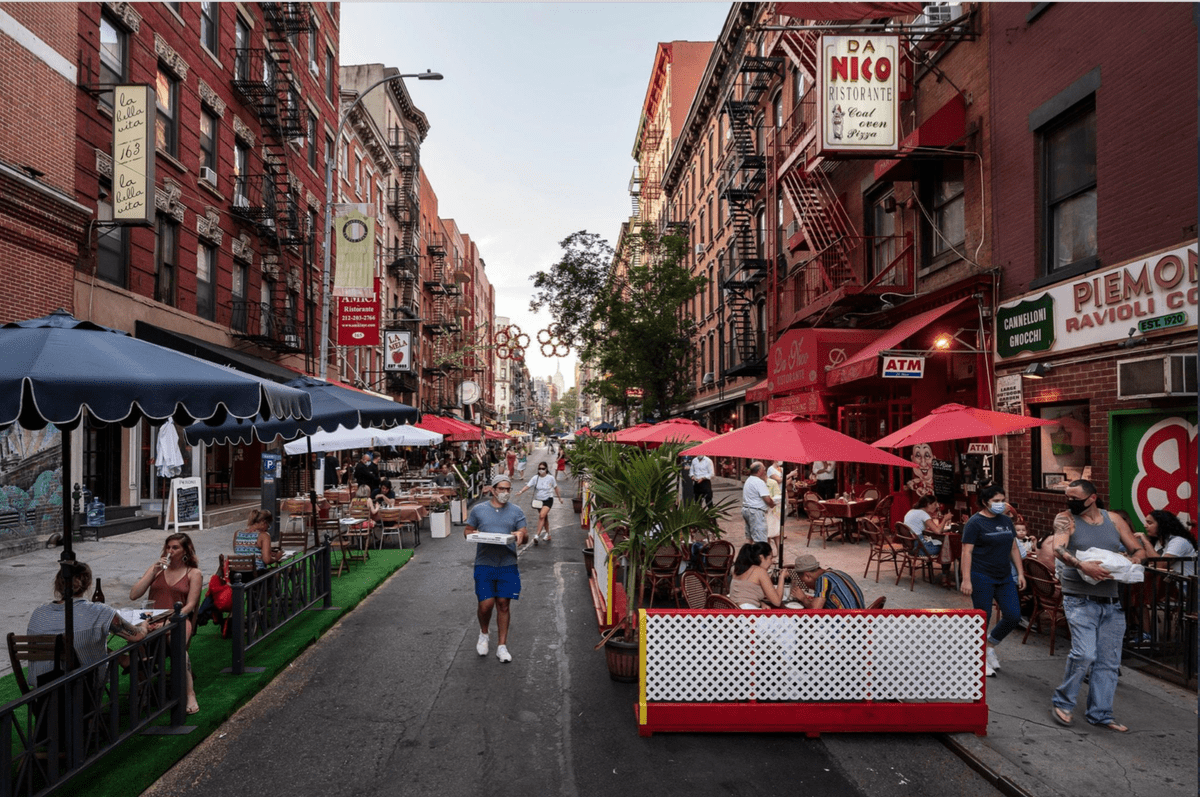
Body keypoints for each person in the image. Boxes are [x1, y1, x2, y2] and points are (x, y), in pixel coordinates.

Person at [1049, 480, 1147, 732]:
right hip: (1079, 598)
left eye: (1075, 497)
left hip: (1111, 601)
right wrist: (1082, 565)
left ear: (1092, 498)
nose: (1069, 501)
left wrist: (1133, 560)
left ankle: (1101, 713)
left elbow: (1137, 549)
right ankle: (1063, 701)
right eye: (1067, 497)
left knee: (1108, 661)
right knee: (1084, 654)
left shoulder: (1113, 519)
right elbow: (1058, 548)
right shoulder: (1065, 518)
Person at [27, 561, 147, 683]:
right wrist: (144, 623)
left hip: (41, 687)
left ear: (58, 584)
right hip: (83, 686)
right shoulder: (99, 611)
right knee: (90, 646)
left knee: (85, 643)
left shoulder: (38, 612)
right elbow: (136, 635)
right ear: (88, 584)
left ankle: (124, 660)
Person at [129, 533, 202, 714]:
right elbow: (134, 595)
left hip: (178, 619)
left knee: (177, 645)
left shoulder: (193, 573)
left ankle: (189, 693)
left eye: (175, 547)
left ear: (185, 550)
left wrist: (171, 620)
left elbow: (191, 605)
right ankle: (145, 687)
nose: (170, 551)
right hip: (150, 619)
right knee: (133, 642)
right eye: (168, 547)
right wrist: (153, 573)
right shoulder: (157, 570)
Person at [960, 486, 1025, 677]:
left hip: (1004, 576)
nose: (1001, 504)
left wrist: (1020, 573)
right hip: (981, 576)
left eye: (1003, 500)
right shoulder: (975, 523)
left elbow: (1013, 548)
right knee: (983, 618)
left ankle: (989, 645)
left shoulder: (1006, 520)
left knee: (1013, 615)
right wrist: (966, 579)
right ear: (985, 502)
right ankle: (978, 659)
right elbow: (967, 551)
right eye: (996, 501)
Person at [465, 474, 529, 663]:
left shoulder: (516, 511)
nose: (505, 492)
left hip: (507, 564)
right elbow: (467, 531)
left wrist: (520, 535)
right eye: (501, 489)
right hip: (484, 563)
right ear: (492, 489)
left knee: (503, 604)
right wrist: (472, 533)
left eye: (508, 489)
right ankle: (484, 633)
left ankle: (502, 646)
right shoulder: (479, 510)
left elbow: (524, 535)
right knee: (486, 605)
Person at [788, 553, 865, 609]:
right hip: (860, 621)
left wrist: (803, 598)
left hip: (847, 628)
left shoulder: (823, 579)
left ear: (807, 576)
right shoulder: (836, 572)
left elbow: (815, 610)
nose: (804, 585)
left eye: (803, 582)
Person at [727, 543, 786, 608]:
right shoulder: (760, 572)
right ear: (761, 557)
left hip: (733, 610)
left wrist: (760, 603)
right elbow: (777, 602)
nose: (772, 562)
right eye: (770, 558)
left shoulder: (736, 568)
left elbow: (744, 595)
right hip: (747, 614)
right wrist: (782, 577)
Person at [516, 461, 562, 544]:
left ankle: (537, 535)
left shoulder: (550, 478)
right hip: (538, 501)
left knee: (541, 516)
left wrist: (559, 498)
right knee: (544, 518)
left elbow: (556, 488)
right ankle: (548, 534)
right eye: (539, 468)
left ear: (546, 469)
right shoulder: (535, 478)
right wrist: (520, 491)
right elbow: (528, 486)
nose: (541, 470)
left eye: (543, 468)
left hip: (548, 499)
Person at [233, 508, 286, 574]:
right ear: (264, 522)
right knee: (277, 572)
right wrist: (277, 557)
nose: (267, 528)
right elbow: (267, 560)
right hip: (255, 575)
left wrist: (263, 552)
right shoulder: (264, 535)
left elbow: (241, 552)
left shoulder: (237, 533)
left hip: (237, 575)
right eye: (268, 525)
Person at [1145, 509, 1196, 576]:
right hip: (1165, 583)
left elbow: (1161, 564)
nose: (1145, 526)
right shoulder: (1158, 542)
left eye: (1149, 523)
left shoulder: (1179, 541)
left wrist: (1145, 541)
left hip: (1182, 584)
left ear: (1162, 525)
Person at [741, 462, 775, 544]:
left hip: (747, 510)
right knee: (760, 540)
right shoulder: (759, 482)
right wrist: (772, 504)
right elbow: (767, 499)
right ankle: (760, 556)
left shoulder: (749, 480)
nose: (765, 471)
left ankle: (747, 555)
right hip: (755, 512)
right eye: (764, 469)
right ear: (760, 470)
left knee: (749, 537)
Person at [764, 461, 784, 560]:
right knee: (771, 533)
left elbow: (777, 496)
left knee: (774, 533)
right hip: (769, 510)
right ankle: (771, 553)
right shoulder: (759, 483)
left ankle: (774, 553)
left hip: (773, 510)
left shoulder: (772, 483)